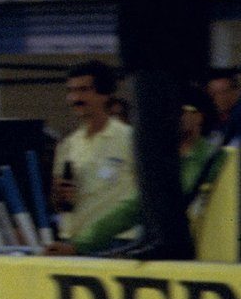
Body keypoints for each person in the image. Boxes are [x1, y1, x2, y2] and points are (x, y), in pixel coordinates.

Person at [44, 0, 209, 258]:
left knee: (152, 153)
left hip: (152, 56)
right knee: (157, 151)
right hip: (178, 55)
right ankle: (158, 232)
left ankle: (166, 237)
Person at [55, 88, 223, 255]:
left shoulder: (216, 159)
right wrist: (79, 245)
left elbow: (159, 198)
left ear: (199, 116)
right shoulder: (164, 161)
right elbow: (131, 208)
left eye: (178, 110)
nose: (168, 116)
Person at [48, 60, 138, 251]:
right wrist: (59, 196)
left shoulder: (130, 139)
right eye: (71, 91)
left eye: (83, 90)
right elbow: (58, 203)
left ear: (105, 94)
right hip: (73, 241)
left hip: (116, 242)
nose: (75, 98)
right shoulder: (68, 144)